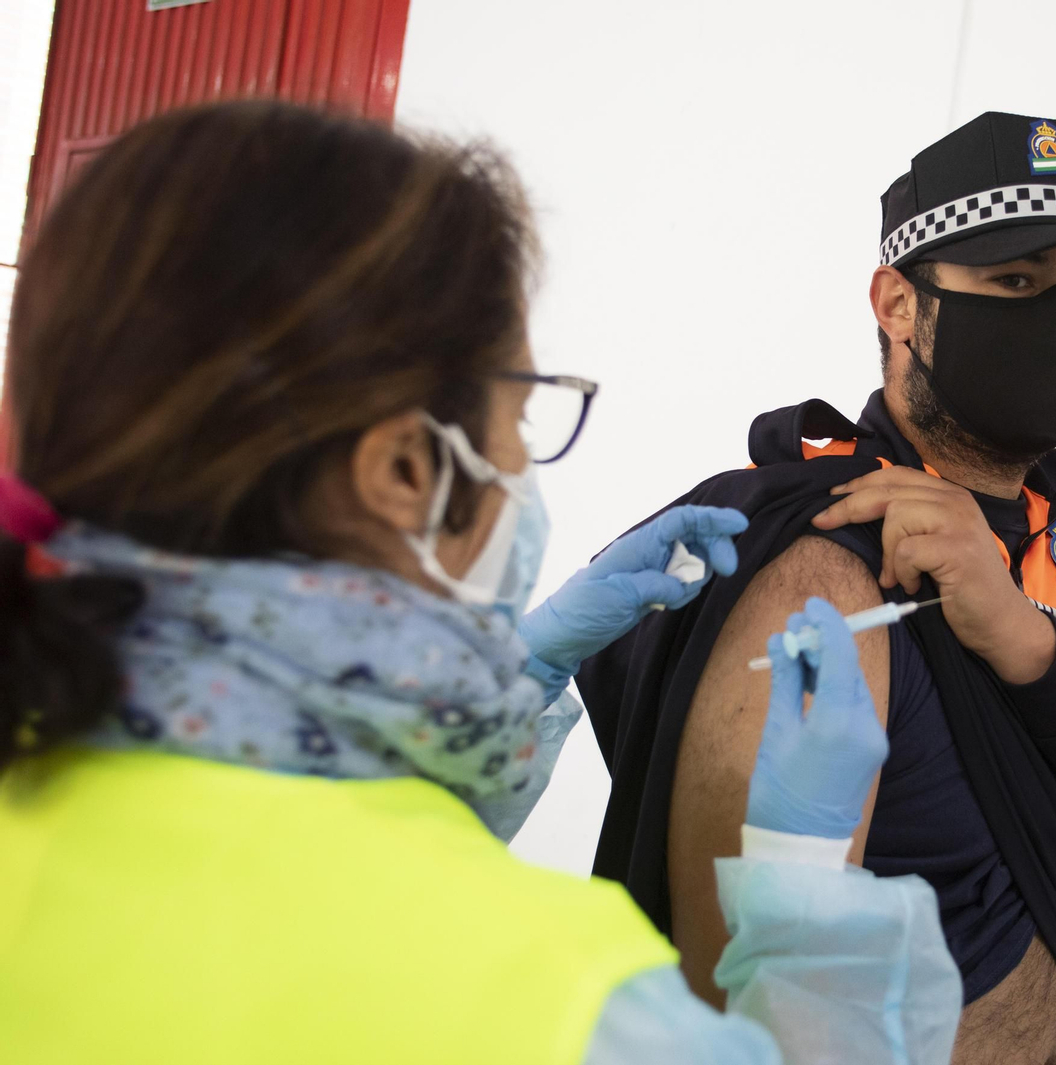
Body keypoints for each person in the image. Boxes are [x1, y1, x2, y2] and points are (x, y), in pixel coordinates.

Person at [0, 101, 960, 1064]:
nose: (525, 462)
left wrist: (517, 675)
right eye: (526, 403)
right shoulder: (564, 1004)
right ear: (408, 470)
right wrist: (804, 901)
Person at [577, 112, 1056, 1063]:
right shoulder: (819, 541)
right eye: (1015, 282)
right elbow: (731, 988)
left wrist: (1026, 642)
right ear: (898, 303)